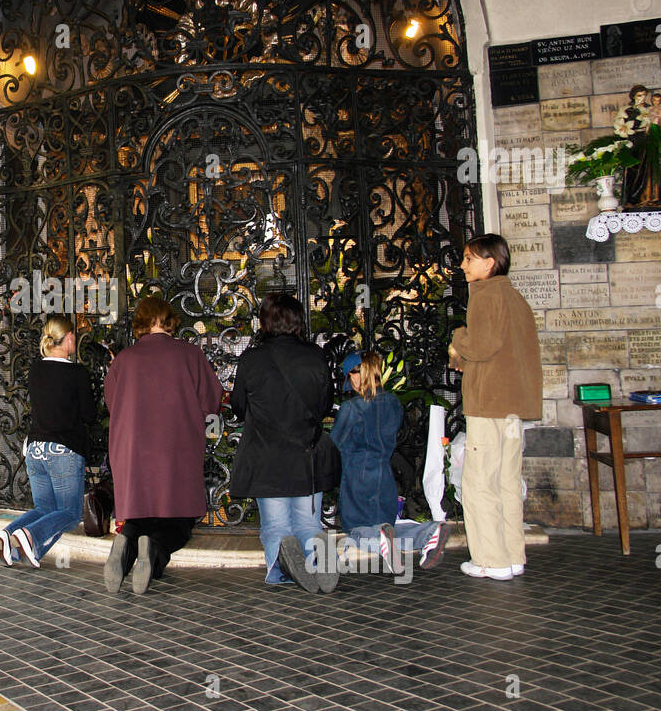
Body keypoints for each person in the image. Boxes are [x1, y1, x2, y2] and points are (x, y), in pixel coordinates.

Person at [103, 295, 222, 594]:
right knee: (178, 521)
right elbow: (212, 400)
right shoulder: (190, 355)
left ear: (141, 323)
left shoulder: (123, 361)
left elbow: (111, 403)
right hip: (176, 452)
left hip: (133, 454)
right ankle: (153, 552)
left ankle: (126, 541)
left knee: (141, 515)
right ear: (169, 320)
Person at [229, 292, 339, 594]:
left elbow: (238, 405)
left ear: (265, 321)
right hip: (306, 453)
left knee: (276, 524)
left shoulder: (252, 359)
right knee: (308, 521)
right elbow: (325, 403)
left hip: (266, 454)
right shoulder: (316, 356)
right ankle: (316, 564)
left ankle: (281, 570)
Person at [448, 234, 541, 581]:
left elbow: (482, 346)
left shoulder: (485, 295)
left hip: (489, 404)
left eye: (469, 259)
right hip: (515, 406)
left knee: (479, 482)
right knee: (506, 480)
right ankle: (513, 554)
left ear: (489, 263)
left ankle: (491, 559)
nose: (462, 265)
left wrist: (458, 337)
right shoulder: (514, 297)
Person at [329, 350, 449, 573]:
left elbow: (334, 445)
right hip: (384, 475)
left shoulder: (351, 409)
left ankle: (379, 539)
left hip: (357, 475)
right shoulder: (393, 403)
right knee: (387, 527)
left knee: (357, 529)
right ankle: (428, 532)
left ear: (357, 375)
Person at [0, 316, 96, 568]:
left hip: (35, 449)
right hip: (63, 450)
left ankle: (8, 536)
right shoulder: (77, 373)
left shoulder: (36, 370)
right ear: (68, 338)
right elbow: (89, 415)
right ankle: (29, 536)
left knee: (44, 508)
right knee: (70, 514)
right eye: (73, 335)